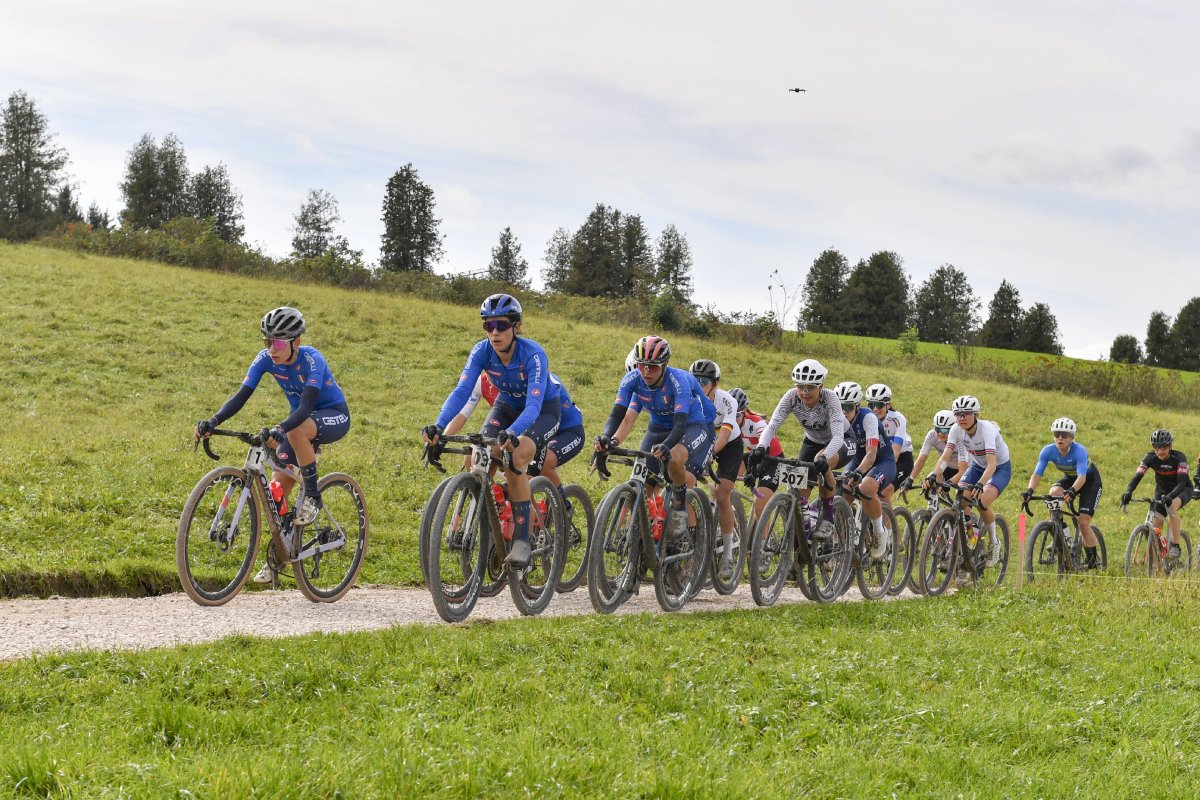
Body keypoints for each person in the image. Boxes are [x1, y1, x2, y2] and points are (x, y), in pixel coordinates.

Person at [194, 306, 351, 584]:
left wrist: (280, 428)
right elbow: (241, 396)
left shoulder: (312, 359)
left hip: (331, 415)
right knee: (276, 489)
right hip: (296, 426)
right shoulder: (265, 359)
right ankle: (283, 549)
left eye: (278, 342)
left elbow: (305, 407)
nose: (271, 348)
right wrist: (213, 421)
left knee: (296, 430)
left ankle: (314, 496)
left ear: (296, 342)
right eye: (267, 341)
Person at [422, 294, 561, 568]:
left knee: (515, 458)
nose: (494, 332)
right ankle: (490, 521)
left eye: (501, 325)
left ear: (516, 327)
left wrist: (512, 434)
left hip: (542, 410)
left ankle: (522, 540)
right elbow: (462, 391)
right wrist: (439, 425)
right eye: (488, 326)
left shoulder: (533, 354)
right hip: (506, 404)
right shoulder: (481, 351)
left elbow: (533, 406)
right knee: (481, 455)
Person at [594, 336, 710, 542]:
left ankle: (679, 508)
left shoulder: (678, 381)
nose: (646, 371)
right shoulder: (632, 379)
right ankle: (640, 539)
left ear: (665, 365)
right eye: (642, 365)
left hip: (690, 425)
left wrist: (666, 446)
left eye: (653, 367)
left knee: (673, 458)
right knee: (642, 482)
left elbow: (680, 424)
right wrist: (608, 439)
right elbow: (618, 415)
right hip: (658, 427)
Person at [749, 359, 847, 536]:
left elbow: (839, 437)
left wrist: (825, 457)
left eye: (810, 387)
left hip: (840, 442)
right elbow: (772, 425)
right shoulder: (791, 397)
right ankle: (805, 534)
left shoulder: (830, 398)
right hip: (811, 441)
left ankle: (829, 517)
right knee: (799, 496)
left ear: (821, 386)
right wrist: (761, 446)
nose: (804, 392)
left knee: (820, 462)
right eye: (800, 386)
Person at [925, 395, 1010, 567]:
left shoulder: (986, 430)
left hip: (999, 468)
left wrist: (980, 484)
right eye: (958, 414)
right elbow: (945, 456)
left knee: (981, 501)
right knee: (961, 497)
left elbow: (992, 464)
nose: (962, 418)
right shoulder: (956, 430)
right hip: (978, 466)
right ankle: (972, 531)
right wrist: (934, 474)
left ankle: (994, 542)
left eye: (966, 414)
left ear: (976, 414)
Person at [1019, 417, 1103, 569]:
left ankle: (1092, 561)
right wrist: (1030, 490)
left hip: (1090, 482)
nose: (1060, 438)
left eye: (1064, 435)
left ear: (1072, 437)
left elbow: (1082, 477)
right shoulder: (1047, 451)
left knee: (1082, 523)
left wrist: (1072, 491)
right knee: (1053, 492)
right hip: (1071, 479)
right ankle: (1063, 534)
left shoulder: (1080, 451)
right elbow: (1037, 474)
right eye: (1057, 434)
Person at [690, 359, 744, 580]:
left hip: (730, 445)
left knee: (722, 496)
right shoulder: (690, 398)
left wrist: (710, 453)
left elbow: (724, 433)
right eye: (694, 380)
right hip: (704, 439)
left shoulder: (727, 400)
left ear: (715, 383)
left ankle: (729, 553)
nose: (698, 384)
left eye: (703, 381)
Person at [836, 382, 895, 558]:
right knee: (843, 492)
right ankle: (839, 543)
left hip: (882, 460)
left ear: (856, 406)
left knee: (865, 488)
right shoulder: (837, 420)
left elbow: (871, 454)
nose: (843, 412)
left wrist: (859, 473)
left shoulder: (868, 418)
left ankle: (879, 531)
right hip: (856, 459)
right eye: (839, 407)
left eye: (847, 407)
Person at [1120, 429, 1191, 559]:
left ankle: (1175, 545)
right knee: (1156, 523)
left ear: (1170, 446)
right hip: (1162, 490)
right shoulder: (1150, 458)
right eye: (1156, 448)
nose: (1160, 451)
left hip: (1182, 489)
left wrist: (1170, 497)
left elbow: (1181, 484)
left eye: (1163, 447)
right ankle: (1156, 562)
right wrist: (1128, 492)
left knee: (1171, 507)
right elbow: (1137, 477)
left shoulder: (1179, 458)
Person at [732, 387, 783, 522]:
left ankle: (765, 541)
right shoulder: (729, 425)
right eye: (730, 414)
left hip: (772, 460)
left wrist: (754, 473)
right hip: (754, 456)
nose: (733, 419)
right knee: (725, 481)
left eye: (737, 415)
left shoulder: (756, 422)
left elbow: (765, 450)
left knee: (759, 507)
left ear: (744, 412)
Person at [865, 383, 912, 499]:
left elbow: (895, 453)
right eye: (871, 405)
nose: (875, 409)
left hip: (901, 459)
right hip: (878, 458)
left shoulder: (897, 419)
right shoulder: (866, 419)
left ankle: (887, 518)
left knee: (884, 491)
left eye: (879, 405)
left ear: (888, 405)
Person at [908, 410, 956, 491]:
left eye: (944, 431)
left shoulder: (960, 437)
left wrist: (950, 483)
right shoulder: (932, 435)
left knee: (962, 497)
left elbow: (965, 467)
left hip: (964, 469)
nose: (940, 434)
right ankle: (933, 503)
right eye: (937, 429)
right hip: (946, 467)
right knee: (929, 484)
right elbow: (921, 459)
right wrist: (910, 478)